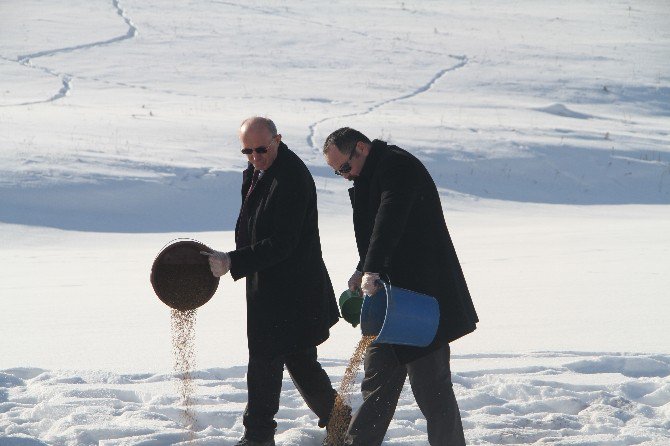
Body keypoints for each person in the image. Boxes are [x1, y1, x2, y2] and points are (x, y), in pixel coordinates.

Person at [323, 127, 479, 446]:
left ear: (362, 148)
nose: (344, 176)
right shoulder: (369, 174)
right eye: (337, 172)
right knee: (376, 388)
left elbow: (390, 219)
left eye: (344, 168)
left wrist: (372, 268)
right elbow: (378, 234)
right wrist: (362, 269)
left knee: (433, 393)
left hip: (419, 304)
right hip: (388, 302)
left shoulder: (397, 166)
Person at [205, 117, 342, 446]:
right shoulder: (258, 169)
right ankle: (342, 423)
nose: (255, 156)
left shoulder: (291, 179)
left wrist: (233, 260)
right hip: (269, 282)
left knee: (266, 362)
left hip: (292, 288)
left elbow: (284, 243)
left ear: (278, 139)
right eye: (247, 150)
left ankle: (258, 436)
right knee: (299, 359)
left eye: (261, 149)